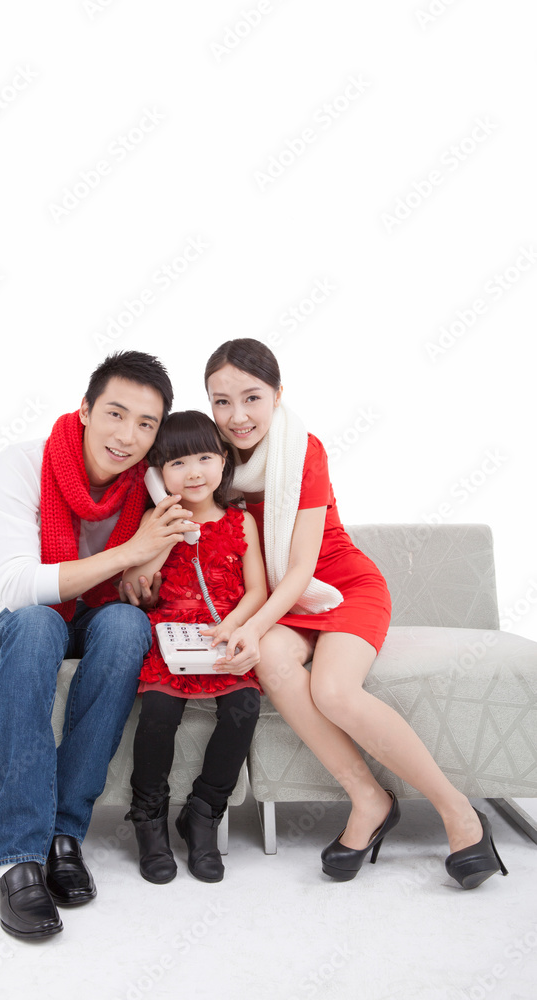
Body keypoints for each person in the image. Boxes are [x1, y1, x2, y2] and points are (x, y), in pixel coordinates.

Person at [200, 337, 507, 889]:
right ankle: (369, 798)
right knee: (270, 661)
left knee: (335, 692)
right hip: (282, 604)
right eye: (221, 401)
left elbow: (298, 570)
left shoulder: (303, 450)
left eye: (251, 397)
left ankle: (460, 813)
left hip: (338, 587)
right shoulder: (213, 462)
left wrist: (251, 623)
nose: (237, 416)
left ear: (277, 395)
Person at [0, 350, 200, 939]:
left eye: (146, 424)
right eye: (115, 414)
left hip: (103, 612)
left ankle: (63, 834)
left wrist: (147, 574)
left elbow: (194, 523)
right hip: (35, 614)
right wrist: (127, 552)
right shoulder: (24, 463)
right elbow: (19, 583)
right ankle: (15, 856)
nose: (127, 437)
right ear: (84, 410)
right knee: (34, 626)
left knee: (130, 626)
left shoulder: (149, 480)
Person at [121, 410, 266, 884]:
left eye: (205, 457)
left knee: (243, 706)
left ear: (224, 461)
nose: (194, 472)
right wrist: (167, 528)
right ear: (158, 474)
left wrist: (232, 626)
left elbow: (257, 592)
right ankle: (148, 816)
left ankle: (204, 813)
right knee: (160, 710)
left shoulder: (241, 522)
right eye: (178, 463)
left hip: (224, 633)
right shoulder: (153, 519)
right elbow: (134, 587)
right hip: (171, 637)